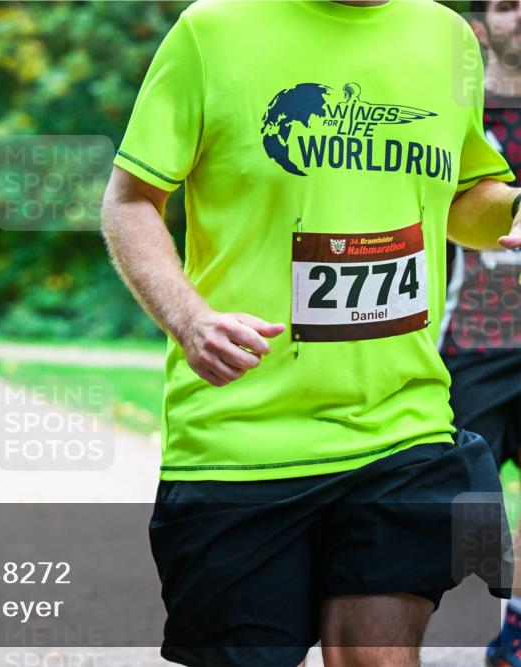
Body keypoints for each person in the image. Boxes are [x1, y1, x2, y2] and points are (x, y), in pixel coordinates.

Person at [100, 1, 521, 665]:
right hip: (241, 435)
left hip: (400, 424)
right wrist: (189, 318)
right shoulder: (213, 30)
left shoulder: (446, 38)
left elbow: (463, 199)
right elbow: (130, 201)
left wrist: (514, 206)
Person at [454, 5, 521, 666]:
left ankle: (515, 629)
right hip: (471, 338)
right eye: (505, 3)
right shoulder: (455, 112)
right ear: (481, 26)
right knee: (466, 512)